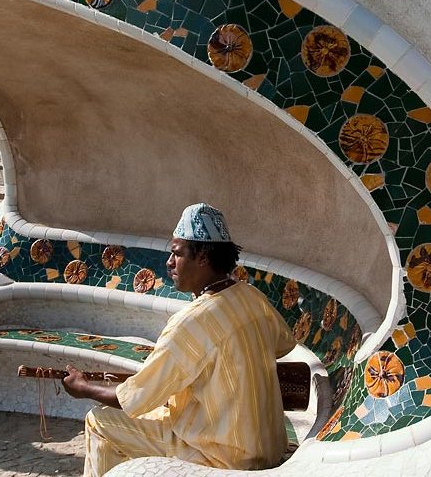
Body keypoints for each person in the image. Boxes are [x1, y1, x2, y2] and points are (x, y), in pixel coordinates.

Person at [62, 203, 297, 476]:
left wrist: (85, 388)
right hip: (266, 446)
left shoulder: (191, 323)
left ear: (204, 258)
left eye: (177, 254)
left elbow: (138, 398)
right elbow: (283, 344)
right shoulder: (252, 298)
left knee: (99, 421)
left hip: (220, 455)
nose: (169, 263)